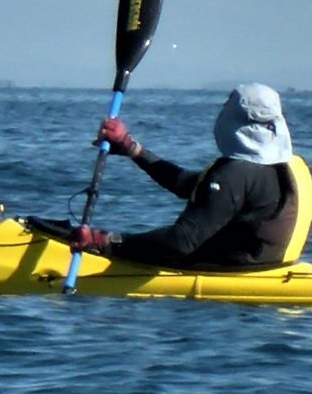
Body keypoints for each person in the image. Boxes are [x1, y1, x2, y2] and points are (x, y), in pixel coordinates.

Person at [64, 83, 298, 269]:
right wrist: (131, 148)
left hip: (228, 268)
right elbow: (188, 185)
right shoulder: (282, 168)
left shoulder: (236, 174)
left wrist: (105, 241)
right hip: (268, 265)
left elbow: (180, 242)